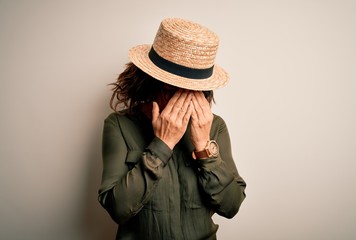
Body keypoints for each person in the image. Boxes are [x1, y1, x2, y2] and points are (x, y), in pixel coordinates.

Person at [98, 18, 246, 240]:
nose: (184, 100)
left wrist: (204, 148)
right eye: (173, 89)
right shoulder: (119, 125)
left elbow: (231, 206)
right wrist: (162, 145)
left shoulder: (215, 126)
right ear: (153, 82)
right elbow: (118, 209)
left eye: (193, 91)